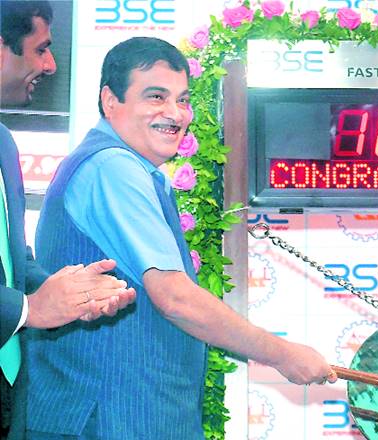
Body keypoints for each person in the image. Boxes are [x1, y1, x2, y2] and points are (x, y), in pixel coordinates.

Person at [25, 36, 336, 439]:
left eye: (183, 100)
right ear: (110, 100)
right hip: (109, 420)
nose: (175, 114)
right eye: (156, 97)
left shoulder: (129, 167)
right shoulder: (113, 168)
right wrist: (283, 354)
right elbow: (175, 299)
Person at [0, 1, 136, 437]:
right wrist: (29, 309)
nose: (51, 65)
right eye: (40, 49)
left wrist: (68, 293)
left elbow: (10, 259)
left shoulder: (3, 142)